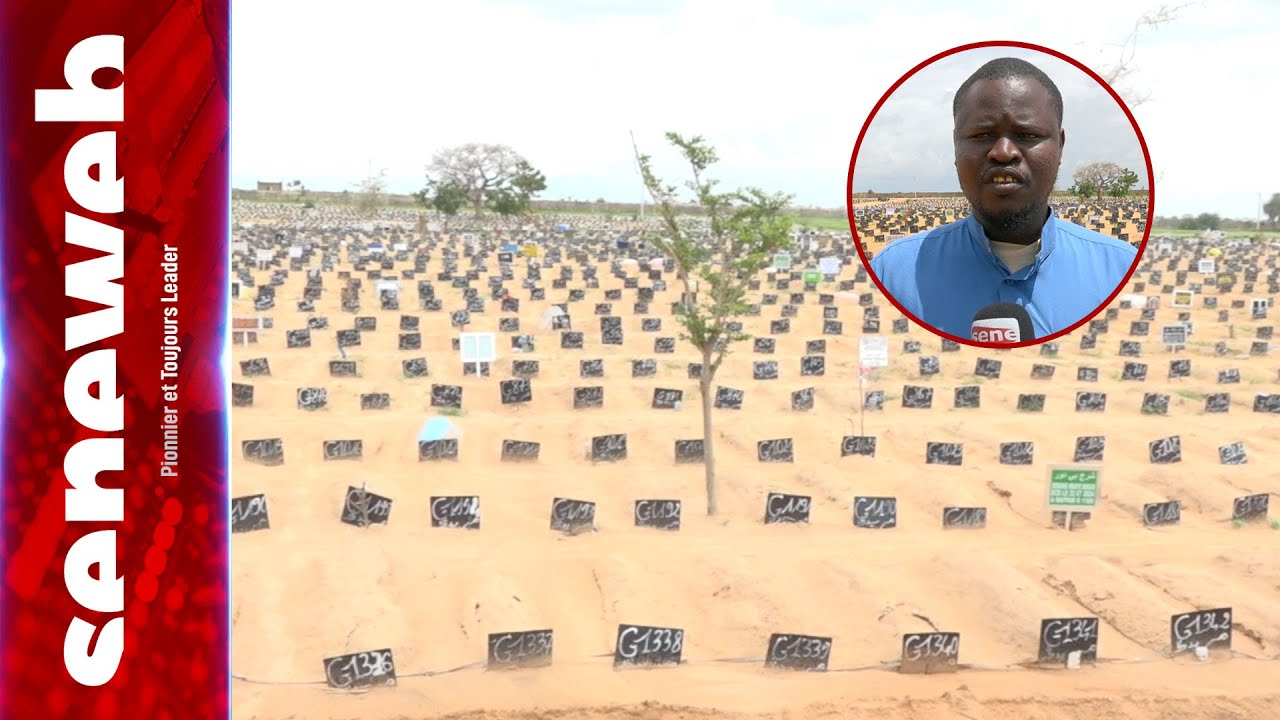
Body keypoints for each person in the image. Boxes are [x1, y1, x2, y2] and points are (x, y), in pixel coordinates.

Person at [867, 57, 1138, 339]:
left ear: (1060, 146)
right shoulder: (892, 274)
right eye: (982, 134)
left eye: (1027, 134)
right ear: (956, 145)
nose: (1003, 152)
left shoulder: (1121, 271)